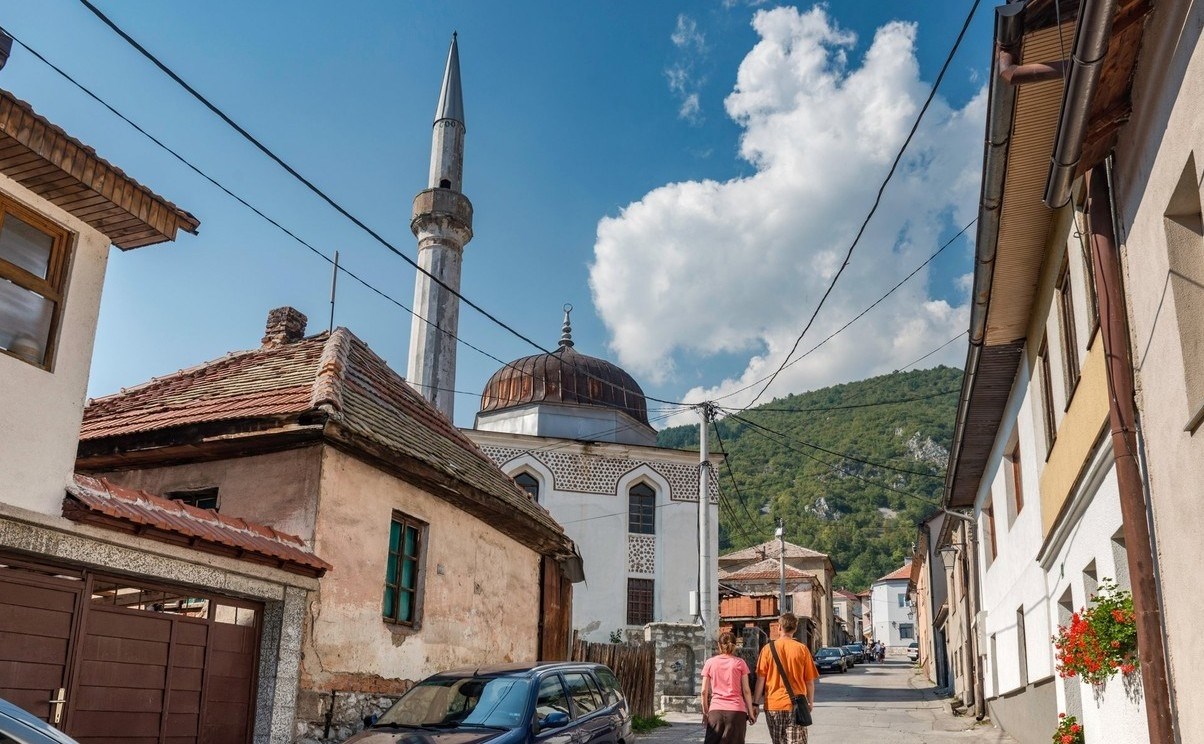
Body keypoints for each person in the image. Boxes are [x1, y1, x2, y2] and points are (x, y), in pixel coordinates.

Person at [754, 613, 819, 744]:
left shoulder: (767, 650)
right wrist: (810, 703)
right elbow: (809, 682)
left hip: (773, 706)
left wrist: (755, 703)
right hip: (795, 706)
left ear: (779, 628)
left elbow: (760, 679)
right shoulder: (802, 649)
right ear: (795, 629)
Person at [701, 632, 754, 744]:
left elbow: (704, 691)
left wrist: (706, 712)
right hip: (737, 712)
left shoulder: (710, 663)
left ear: (719, 646)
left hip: (715, 711)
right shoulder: (740, 663)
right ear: (735, 645)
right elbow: (746, 691)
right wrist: (751, 712)